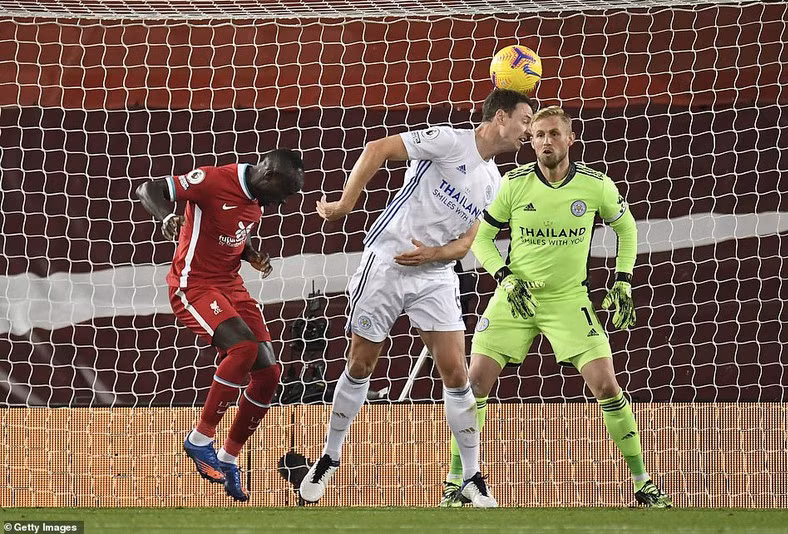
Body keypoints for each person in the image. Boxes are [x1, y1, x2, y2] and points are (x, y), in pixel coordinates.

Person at [299, 89, 535, 508]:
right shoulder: (448, 140)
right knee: (360, 363)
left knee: (456, 374)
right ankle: (329, 457)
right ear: (500, 117)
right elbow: (377, 149)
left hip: (435, 274)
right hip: (387, 263)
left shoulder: (495, 184)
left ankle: (471, 476)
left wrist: (434, 255)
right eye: (525, 119)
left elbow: (467, 244)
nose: (528, 131)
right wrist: (343, 205)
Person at [439, 106, 673, 508]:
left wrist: (623, 279)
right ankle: (456, 483)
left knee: (606, 386)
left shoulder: (595, 186)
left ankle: (643, 482)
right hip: (516, 297)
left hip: (568, 300)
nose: (546, 141)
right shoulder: (512, 185)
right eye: (539, 135)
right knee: (472, 384)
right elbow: (481, 238)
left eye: (553, 134)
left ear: (569, 139)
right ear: (530, 141)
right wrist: (505, 277)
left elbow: (626, 227)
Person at [135, 150, 304, 502]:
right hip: (193, 284)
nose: (283, 202)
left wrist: (251, 254)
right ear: (269, 174)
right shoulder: (213, 180)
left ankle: (228, 458)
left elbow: (229, 235)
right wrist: (166, 216)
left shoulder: (256, 202)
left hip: (230, 285)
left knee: (269, 374)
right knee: (242, 348)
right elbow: (148, 189)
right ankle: (200, 440)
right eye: (284, 192)